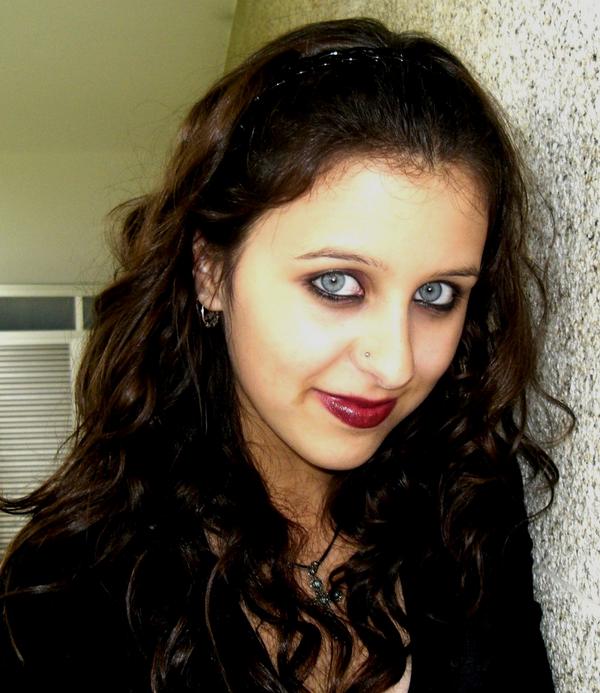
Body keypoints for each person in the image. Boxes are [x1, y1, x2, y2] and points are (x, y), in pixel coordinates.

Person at [0, 17, 571, 693]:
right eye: (336, 284)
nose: (395, 364)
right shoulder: (67, 602)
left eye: (437, 294)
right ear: (211, 270)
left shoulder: (466, 499)